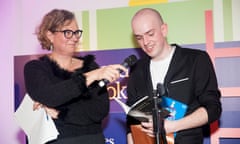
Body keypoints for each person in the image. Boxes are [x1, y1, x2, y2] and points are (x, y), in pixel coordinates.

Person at [24, 9, 127, 144]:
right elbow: (51, 95)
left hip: (92, 140)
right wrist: (90, 77)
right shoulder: (36, 68)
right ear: (50, 35)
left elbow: (99, 111)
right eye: (68, 32)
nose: (75, 37)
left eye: (77, 32)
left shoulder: (90, 66)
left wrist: (60, 113)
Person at [126, 8, 222, 144]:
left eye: (150, 34)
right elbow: (131, 120)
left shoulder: (196, 60)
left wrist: (172, 126)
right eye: (139, 38)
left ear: (164, 29)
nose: (145, 42)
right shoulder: (136, 69)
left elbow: (213, 109)